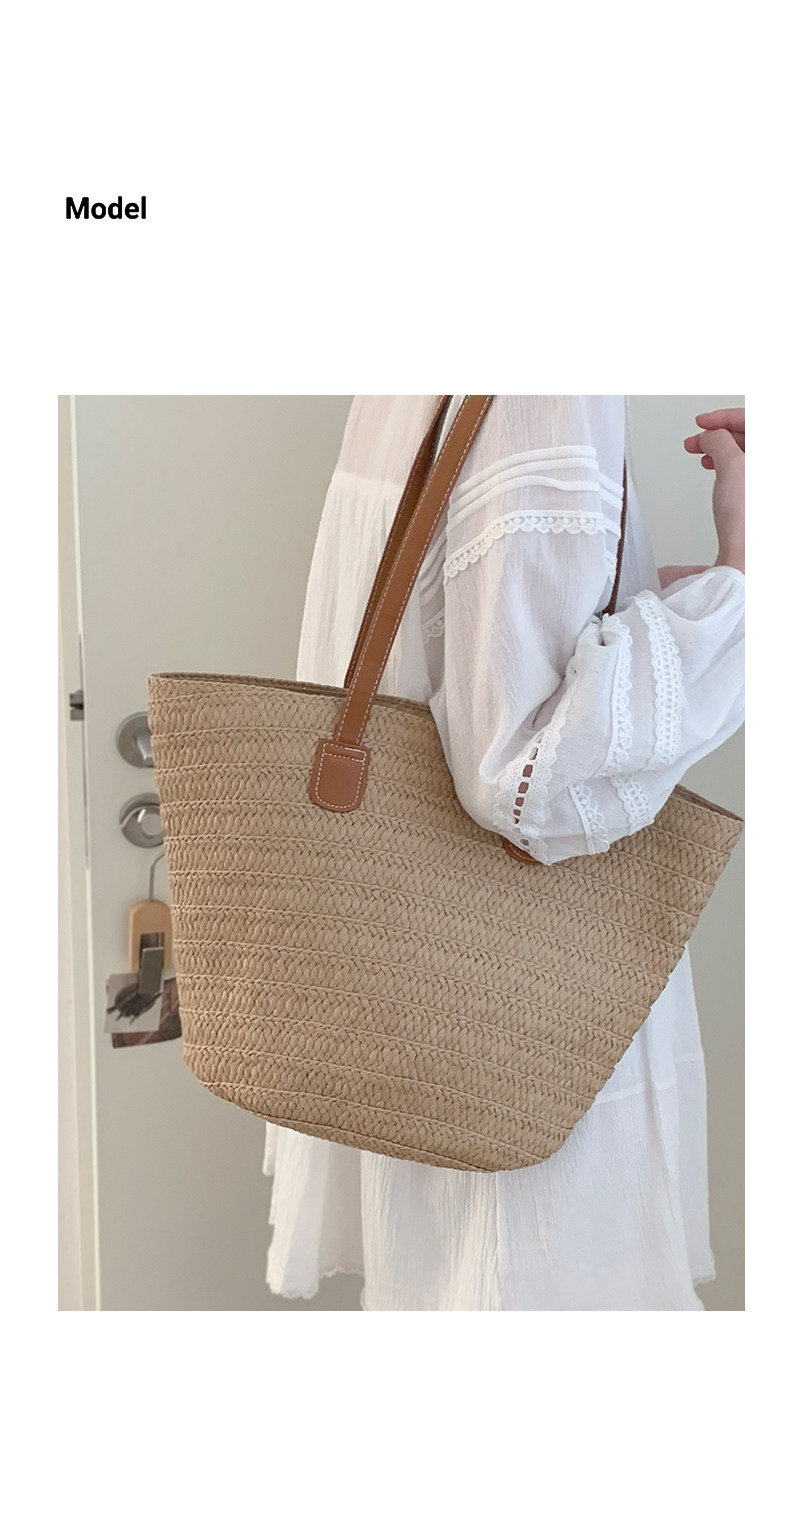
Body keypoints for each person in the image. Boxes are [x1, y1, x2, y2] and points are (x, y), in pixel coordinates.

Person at [262, 396, 745, 1311]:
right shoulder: (546, 390)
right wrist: (745, 585)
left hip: (407, 1007)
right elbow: (527, 781)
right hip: (527, 1049)